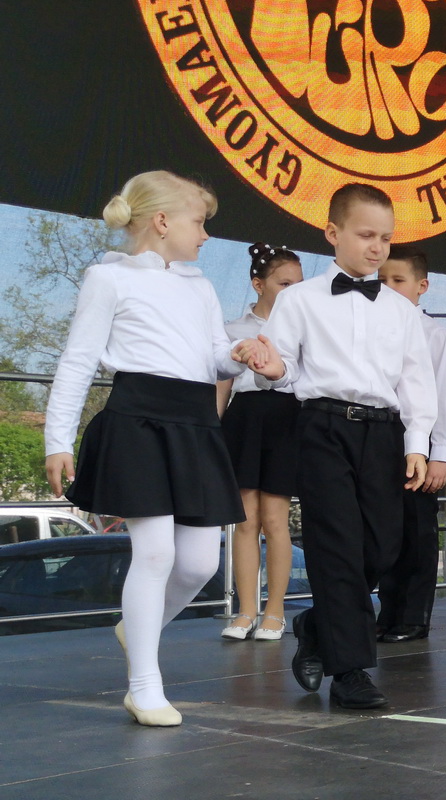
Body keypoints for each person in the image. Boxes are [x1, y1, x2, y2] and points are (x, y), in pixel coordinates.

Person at [43, 170, 266, 726]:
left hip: (195, 425)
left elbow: (214, 357)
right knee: (156, 553)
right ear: (163, 221)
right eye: (201, 222)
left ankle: (137, 628)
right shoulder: (108, 278)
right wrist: (57, 440)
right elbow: (77, 360)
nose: (206, 236)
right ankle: (143, 685)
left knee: (199, 563)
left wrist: (239, 353)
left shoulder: (200, 286)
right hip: (137, 421)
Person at [249, 183, 438, 710]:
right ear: (333, 233)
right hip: (321, 427)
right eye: (366, 235)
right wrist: (270, 368)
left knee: (382, 547)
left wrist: (417, 443)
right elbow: (280, 367)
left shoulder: (401, 310)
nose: (377, 247)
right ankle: (350, 672)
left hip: (384, 433)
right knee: (335, 546)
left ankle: (317, 624)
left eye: (386, 238)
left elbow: (416, 380)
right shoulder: (299, 299)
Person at [216, 244, 303, 641]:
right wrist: (211, 432)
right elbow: (222, 385)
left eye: (297, 284)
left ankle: (275, 610)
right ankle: (245, 611)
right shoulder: (233, 329)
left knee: (275, 520)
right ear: (258, 284)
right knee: (245, 520)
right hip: (244, 421)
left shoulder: (304, 328)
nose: (292, 291)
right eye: (284, 283)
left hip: (286, 419)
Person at [375, 245, 446, 644]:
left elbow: (445, 397)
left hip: (418, 440)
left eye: (398, 280)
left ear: (421, 286)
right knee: (384, 530)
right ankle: (387, 612)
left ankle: (413, 617)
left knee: (417, 532)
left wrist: (439, 455)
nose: (388, 287)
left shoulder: (434, 335)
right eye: (381, 280)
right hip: (377, 435)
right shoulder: (370, 329)